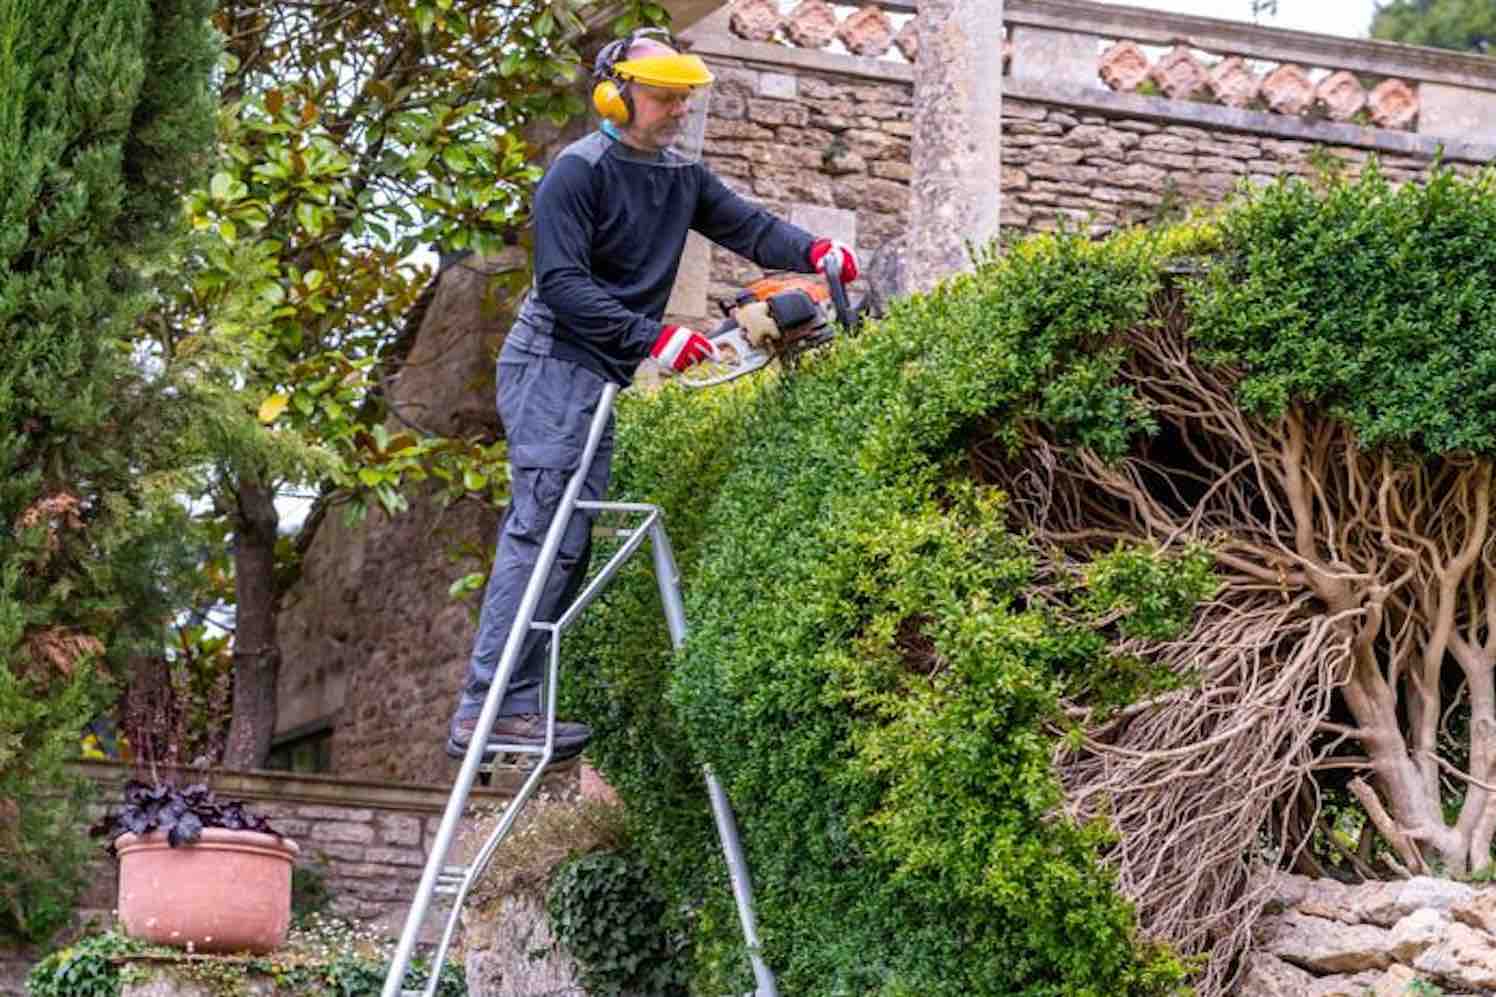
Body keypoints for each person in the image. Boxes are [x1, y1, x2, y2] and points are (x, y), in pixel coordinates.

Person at [446, 28, 859, 761]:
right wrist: (653, 336)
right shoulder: (578, 173)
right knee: (542, 531)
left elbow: (750, 227)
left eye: (684, 97)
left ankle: (515, 705)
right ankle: (486, 707)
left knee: (567, 543)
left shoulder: (680, 178)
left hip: (598, 371)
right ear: (618, 92)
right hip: (551, 364)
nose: (677, 109)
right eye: (664, 95)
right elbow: (563, 287)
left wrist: (816, 251)